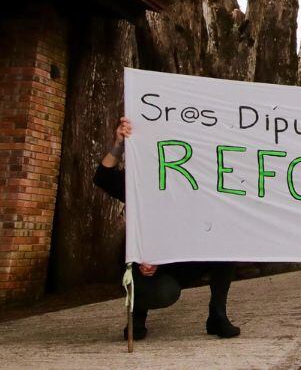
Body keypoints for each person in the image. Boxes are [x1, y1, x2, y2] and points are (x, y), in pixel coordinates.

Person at [95, 117, 241, 341]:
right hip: (145, 264)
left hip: (180, 259)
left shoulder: (202, 186)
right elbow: (103, 177)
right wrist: (119, 144)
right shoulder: (145, 181)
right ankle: (136, 317)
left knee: (226, 245)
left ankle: (217, 315)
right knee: (164, 293)